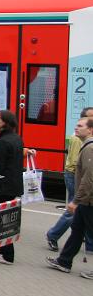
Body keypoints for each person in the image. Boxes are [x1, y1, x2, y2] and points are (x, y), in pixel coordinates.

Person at [47, 116, 93, 279]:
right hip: (86, 200)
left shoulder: (89, 148)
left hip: (88, 201)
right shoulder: (86, 146)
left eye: (80, 126)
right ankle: (64, 261)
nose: (76, 128)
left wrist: (76, 200)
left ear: (90, 130)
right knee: (77, 230)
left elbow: (89, 178)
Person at [0, 109, 23, 264]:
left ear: (5, 123)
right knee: (8, 219)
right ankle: (6, 253)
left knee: (1, 220)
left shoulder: (3, 141)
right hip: (14, 184)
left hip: (4, 185)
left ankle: (6, 254)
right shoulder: (16, 138)